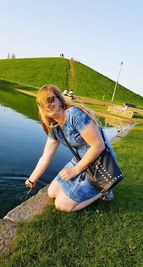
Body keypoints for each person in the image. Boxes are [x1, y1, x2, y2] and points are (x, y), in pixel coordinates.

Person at [25, 84, 114, 212]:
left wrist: (75, 170)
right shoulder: (54, 126)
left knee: (62, 205)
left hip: (100, 164)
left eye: (51, 100)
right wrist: (32, 179)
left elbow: (98, 146)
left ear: (60, 100)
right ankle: (91, 185)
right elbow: (45, 157)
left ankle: (105, 189)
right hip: (80, 159)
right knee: (51, 192)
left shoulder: (75, 115)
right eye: (42, 103)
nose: (47, 105)